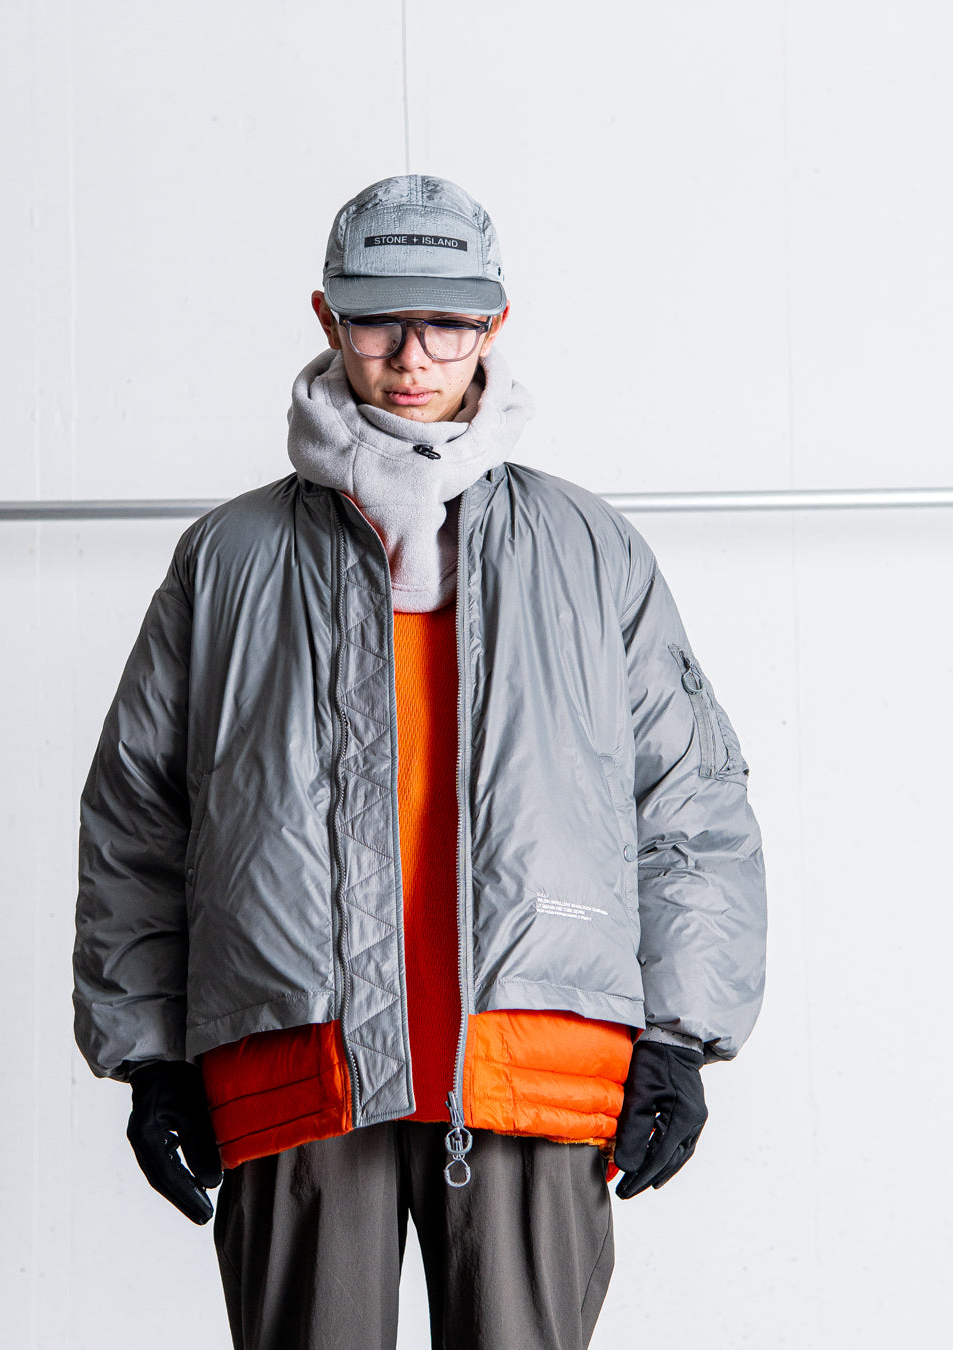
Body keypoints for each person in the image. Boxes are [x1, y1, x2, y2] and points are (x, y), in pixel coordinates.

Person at [73, 174, 766, 1350]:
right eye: (377, 320)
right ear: (325, 316)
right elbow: (138, 819)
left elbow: (689, 805)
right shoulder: (229, 558)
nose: (411, 356)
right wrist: (150, 1056)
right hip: (297, 1063)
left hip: (531, 1062)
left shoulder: (590, 549)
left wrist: (678, 1034)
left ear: (495, 324)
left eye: (445, 322)